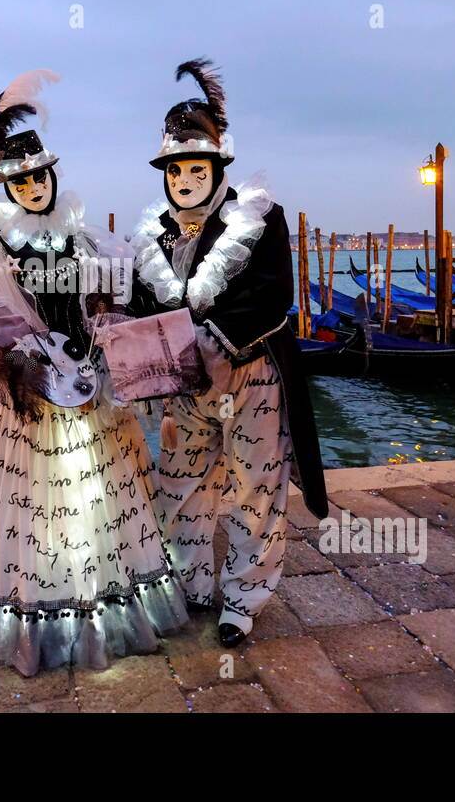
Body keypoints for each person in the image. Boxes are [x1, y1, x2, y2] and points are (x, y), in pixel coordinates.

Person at [0, 70, 189, 676]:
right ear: (7, 185)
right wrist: (31, 362)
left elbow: (117, 299)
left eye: (40, 175)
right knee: (27, 511)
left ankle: (103, 605)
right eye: (21, 179)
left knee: (93, 506)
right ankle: (26, 613)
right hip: (24, 396)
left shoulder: (88, 239)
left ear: (53, 175)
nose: (34, 186)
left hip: (89, 390)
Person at [128, 58, 329, 648]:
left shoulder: (260, 219)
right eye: (175, 168)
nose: (185, 178)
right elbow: (145, 308)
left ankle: (243, 597)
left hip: (253, 374)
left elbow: (272, 296)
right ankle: (190, 583)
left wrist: (214, 341)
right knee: (180, 481)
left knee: (255, 486)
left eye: (196, 166)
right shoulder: (153, 236)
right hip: (185, 388)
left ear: (217, 166)